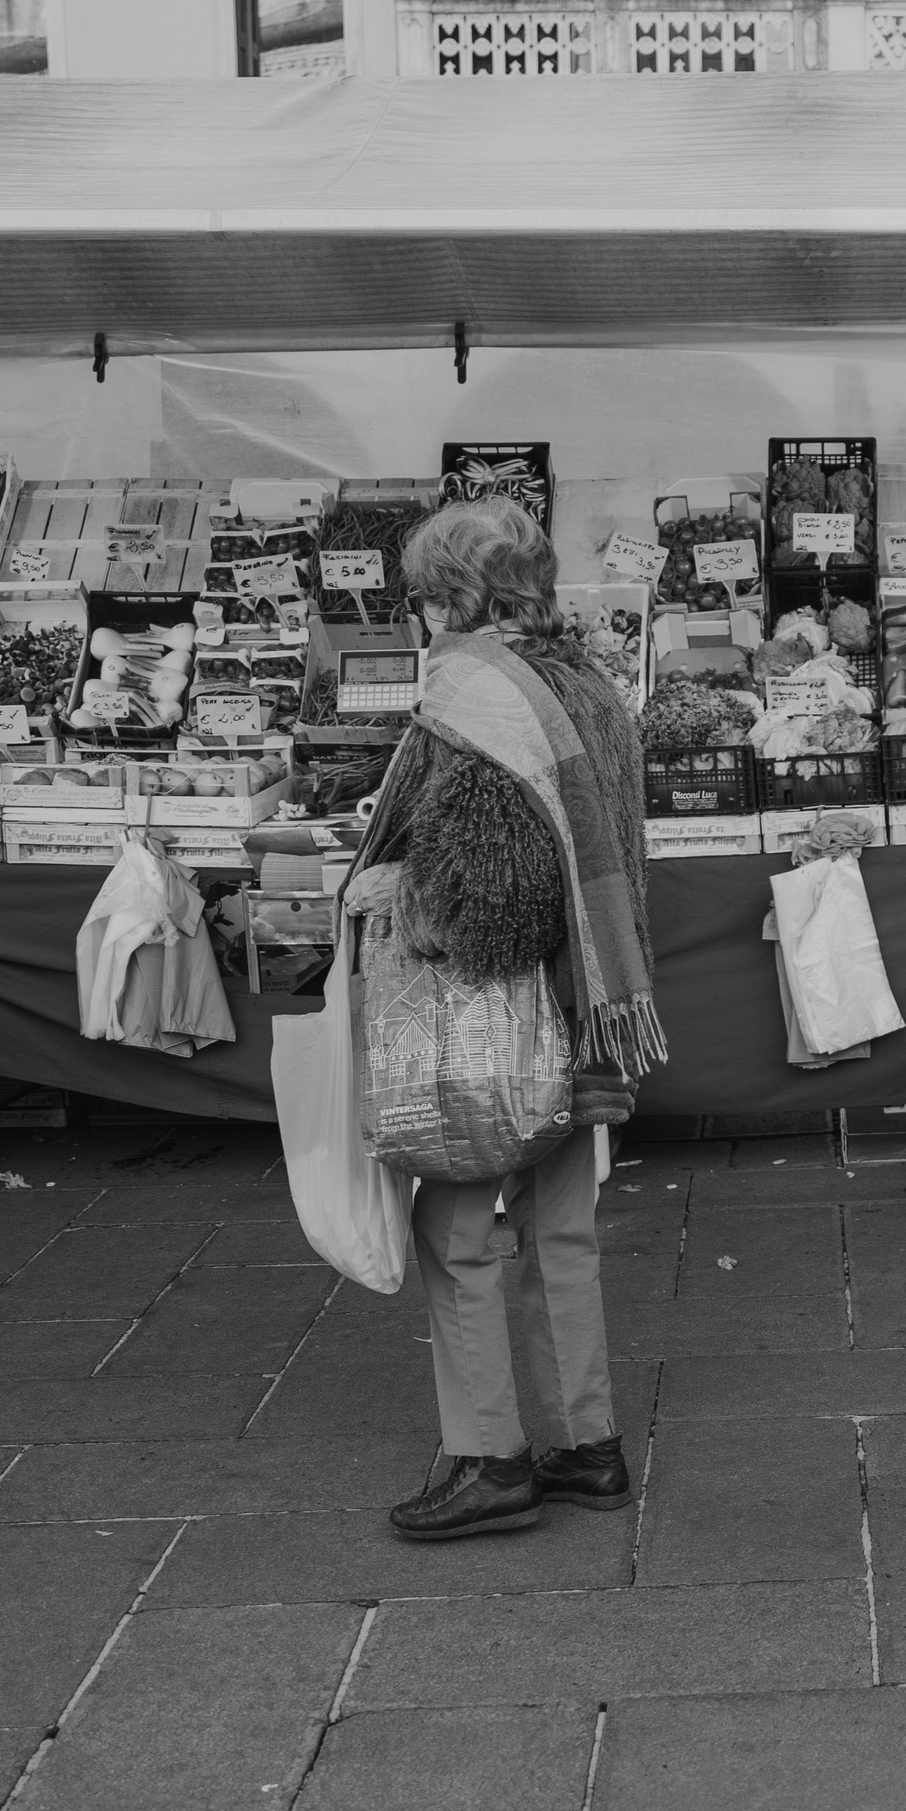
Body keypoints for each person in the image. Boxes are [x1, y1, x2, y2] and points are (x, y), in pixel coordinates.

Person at [357, 497, 663, 1542]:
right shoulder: (590, 680)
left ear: (452, 590)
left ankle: (488, 1456)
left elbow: (490, 897)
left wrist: (394, 897)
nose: (417, 607)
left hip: (495, 1025)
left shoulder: (474, 688)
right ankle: (589, 1446)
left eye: (421, 587)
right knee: (563, 1229)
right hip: (592, 998)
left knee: (457, 1232)